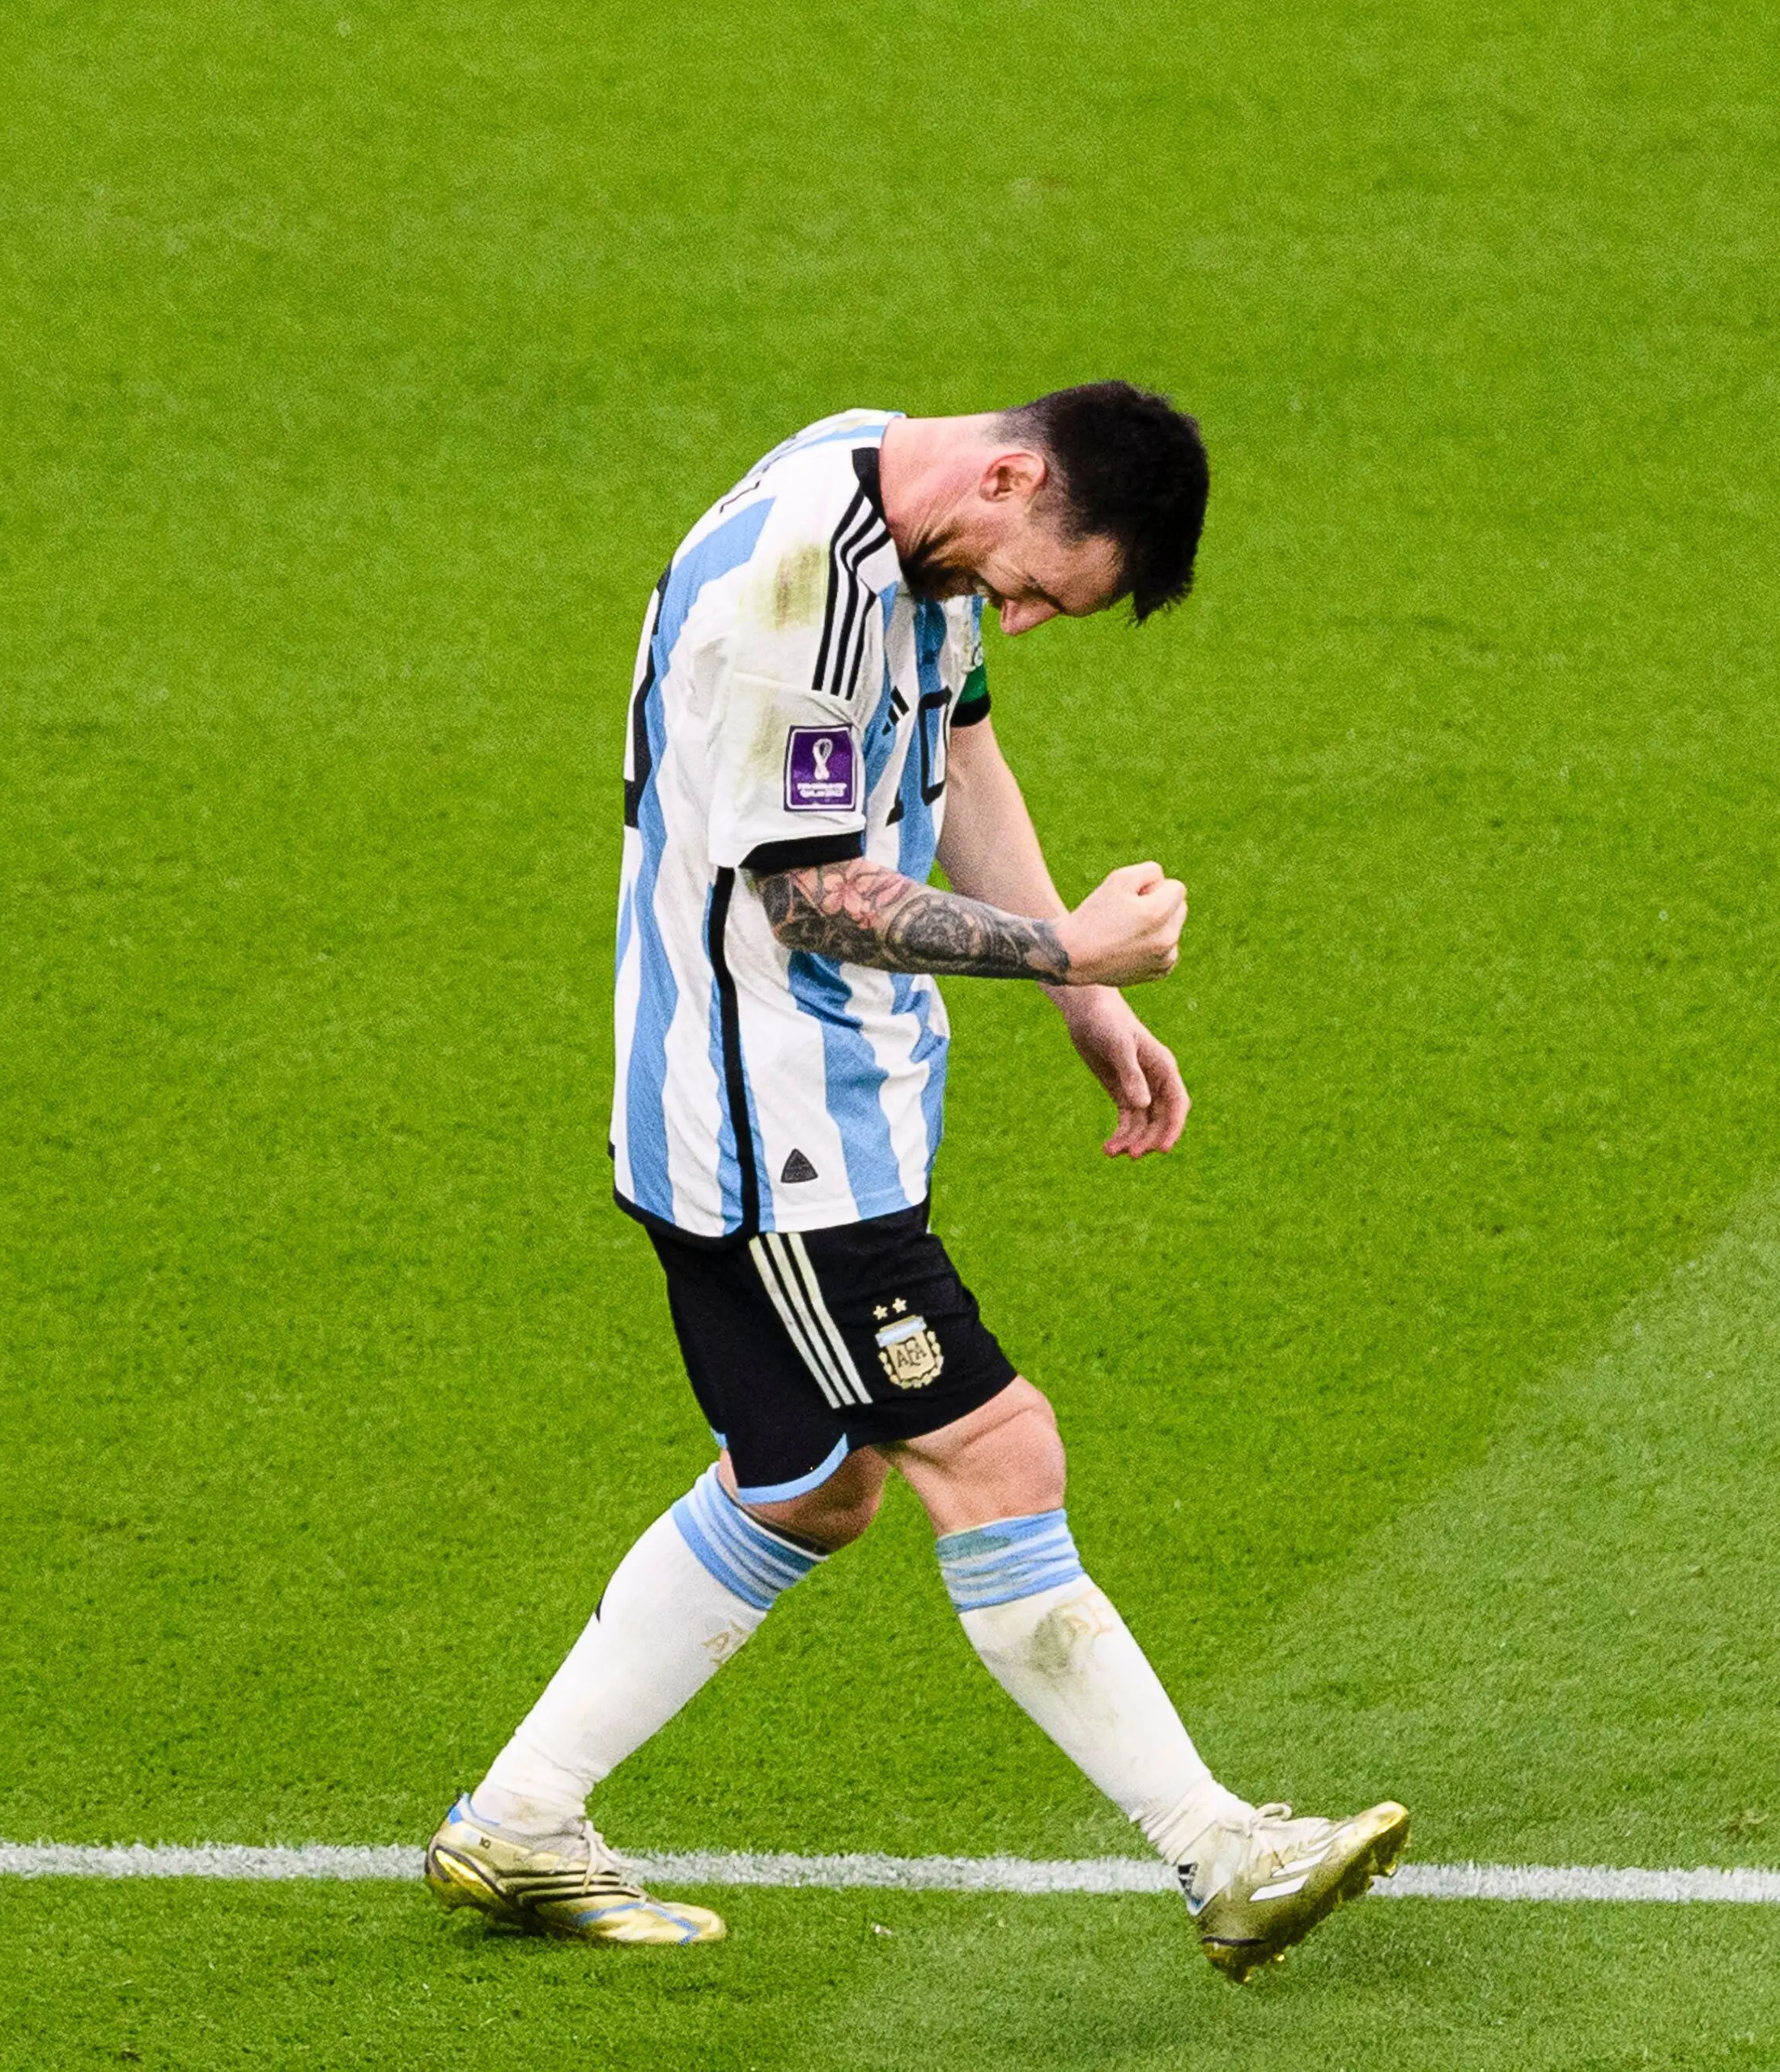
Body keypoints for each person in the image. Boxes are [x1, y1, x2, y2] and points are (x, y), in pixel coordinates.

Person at [427, 383, 1404, 1981]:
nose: (1016, 617)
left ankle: (523, 1809)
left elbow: (956, 747)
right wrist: (1064, 943)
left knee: (816, 1482)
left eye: (1047, 609)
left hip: (802, 1107)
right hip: (772, 1135)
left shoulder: (910, 516)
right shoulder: (794, 588)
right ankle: (1221, 1849)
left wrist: (1082, 995)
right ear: (1016, 472)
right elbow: (811, 892)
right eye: (1033, 583)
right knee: (996, 1451)